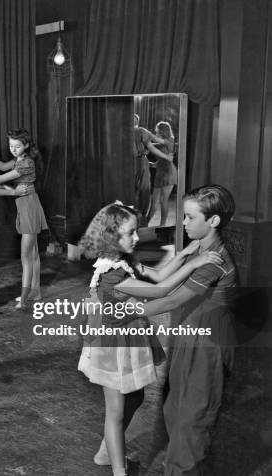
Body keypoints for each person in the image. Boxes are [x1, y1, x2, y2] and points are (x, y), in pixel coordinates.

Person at [77, 202, 222, 476]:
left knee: (135, 398)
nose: (136, 238)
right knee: (116, 411)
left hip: (127, 336)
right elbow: (163, 291)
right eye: (130, 233)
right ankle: (117, 469)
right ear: (111, 237)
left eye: (136, 232)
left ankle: (108, 449)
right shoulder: (111, 275)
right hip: (112, 345)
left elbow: (157, 275)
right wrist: (197, 262)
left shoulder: (124, 260)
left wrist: (185, 255)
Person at [135, 185, 237, 475]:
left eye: (190, 217)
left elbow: (171, 299)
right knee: (175, 408)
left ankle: (182, 469)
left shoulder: (214, 259)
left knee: (194, 416)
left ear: (213, 221)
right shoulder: (198, 249)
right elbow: (163, 284)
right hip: (188, 337)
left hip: (208, 346)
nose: (183, 223)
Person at [0, 128, 47, 310]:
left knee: (26, 256)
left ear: (26, 145)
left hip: (28, 207)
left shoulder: (26, 163)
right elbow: (4, 167)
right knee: (34, 254)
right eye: (11, 145)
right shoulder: (20, 159)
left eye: (17, 146)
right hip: (28, 204)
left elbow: (1, 176)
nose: (13, 149)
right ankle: (35, 291)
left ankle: (25, 297)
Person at [146, 121, 177, 227]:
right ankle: (146, 224)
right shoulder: (160, 143)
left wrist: (145, 135)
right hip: (160, 173)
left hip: (169, 172)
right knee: (153, 202)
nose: (155, 131)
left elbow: (154, 142)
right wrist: (151, 164)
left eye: (157, 130)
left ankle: (162, 225)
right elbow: (159, 155)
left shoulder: (170, 140)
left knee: (163, 200)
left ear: (163, 131)